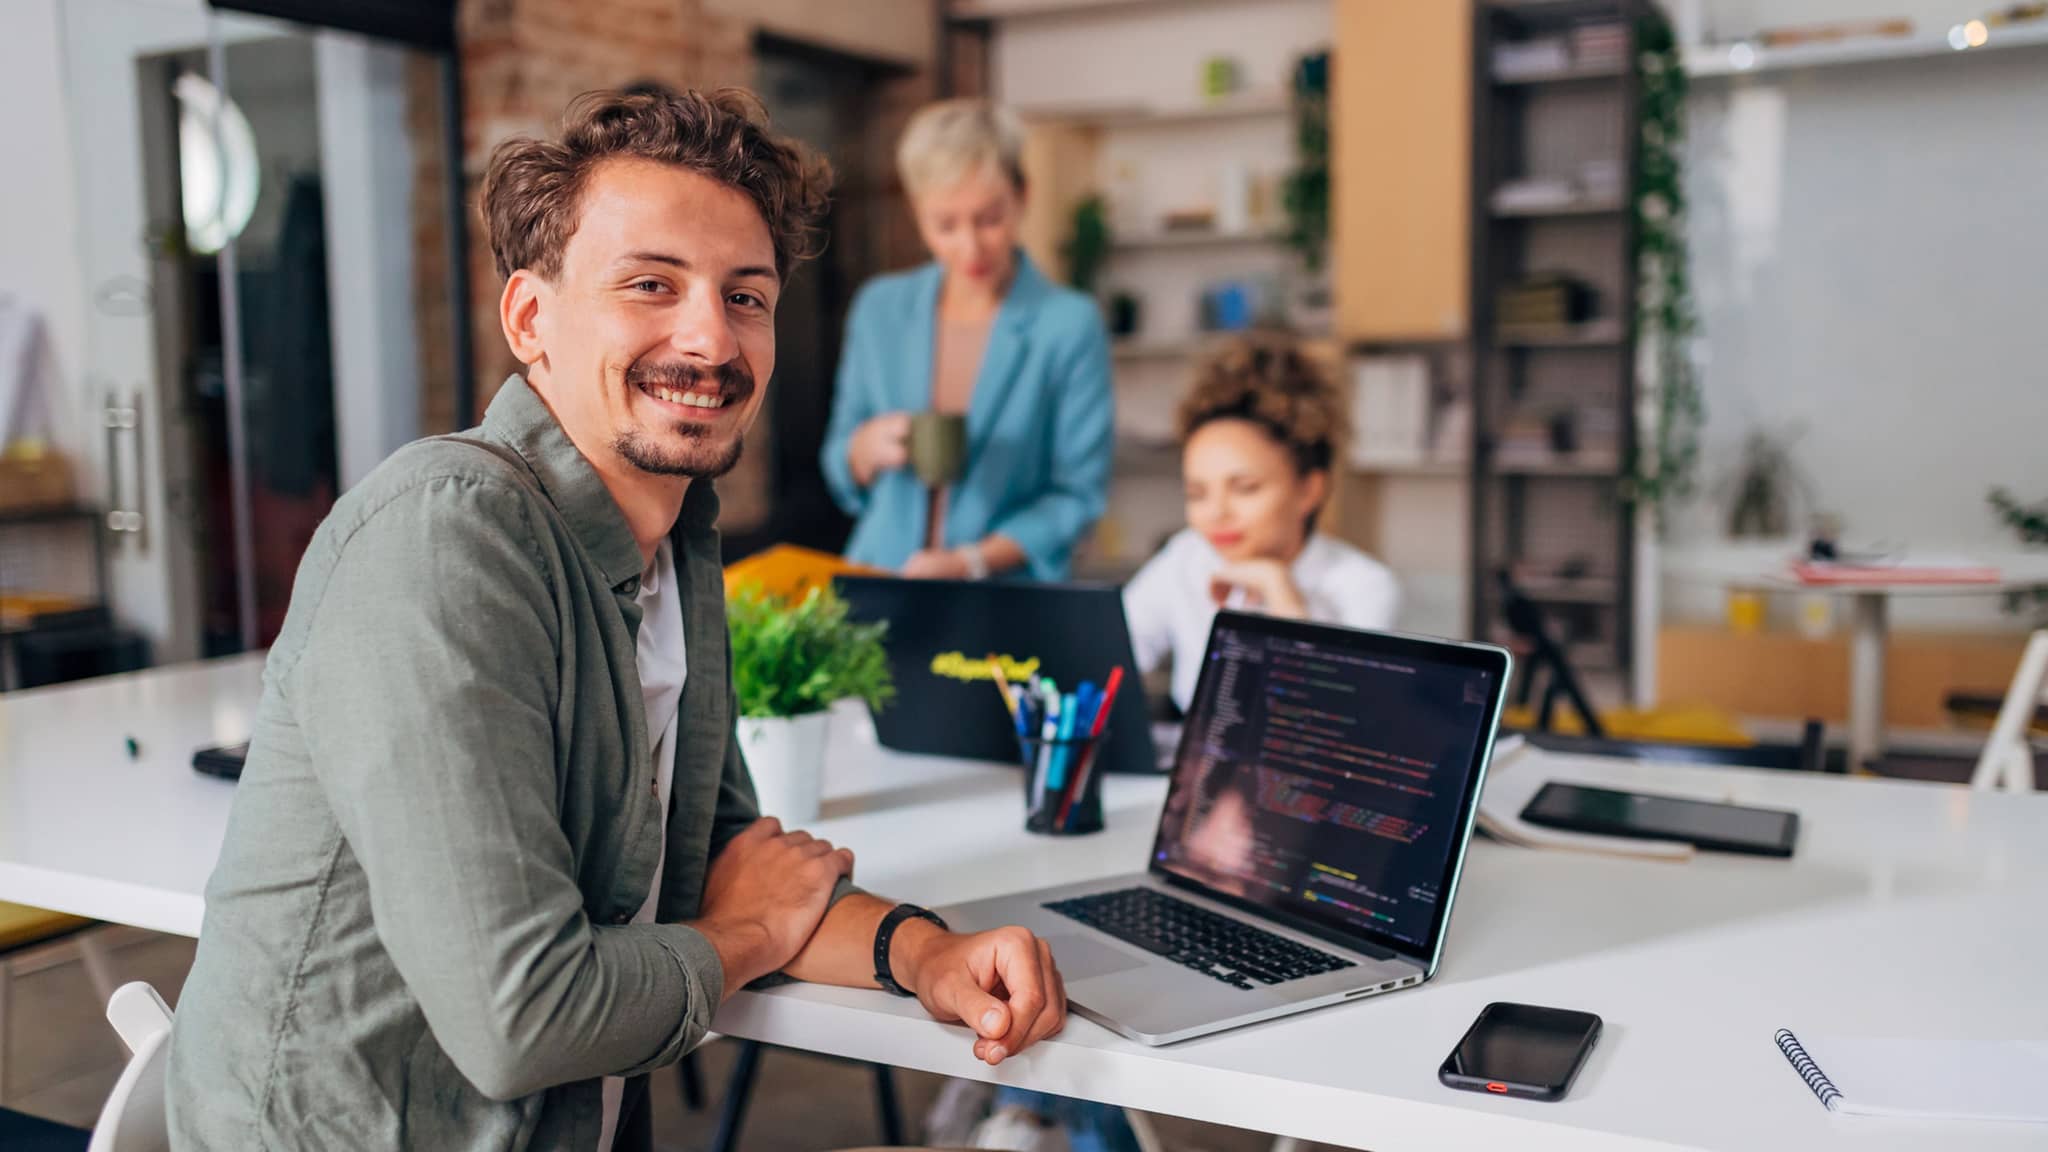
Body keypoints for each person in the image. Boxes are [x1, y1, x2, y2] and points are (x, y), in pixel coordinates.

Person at [165, 88, 1065, 1152]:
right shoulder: (444, 541)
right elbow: (522, 1017)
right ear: (530, 321)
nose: (710, 337)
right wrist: (740, 935)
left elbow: (725, 856)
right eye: (651, 285)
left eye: (746, 297)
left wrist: (927, 957)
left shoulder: (673, 544)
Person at [821, 99, 1112, 581]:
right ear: (917, 212)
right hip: (881, 580)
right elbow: (837, 462)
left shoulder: (1069, 324)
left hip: (1003, 596)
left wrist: (971, 562)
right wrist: (861, 449)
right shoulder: (880, 309)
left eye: (989, 219)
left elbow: (1077, 496)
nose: (969, 247)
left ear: (1023, 196)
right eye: (946, 224)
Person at [1125, 333, 1400, 713]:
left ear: (1310, 490)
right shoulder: (1186, 557)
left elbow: (1333, 719)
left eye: (1245, 488)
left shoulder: (1364, 585)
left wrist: (1281, 591)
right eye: (1197, 494)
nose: (1217, 512)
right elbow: (1113, 656)